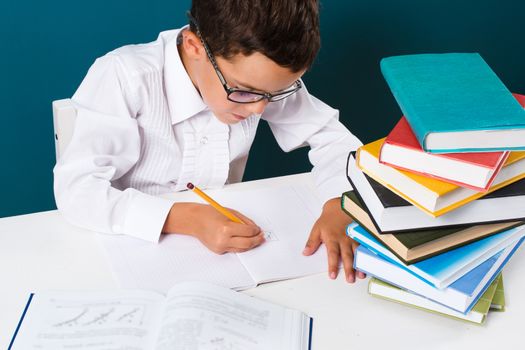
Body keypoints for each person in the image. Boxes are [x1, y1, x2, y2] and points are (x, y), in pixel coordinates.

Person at [54, 0, 366, 283]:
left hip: (230, 264)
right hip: (125, 255)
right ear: (194, 46)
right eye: (243, 92)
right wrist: (183, 217)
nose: (259, 108)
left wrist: (341, 201)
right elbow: (77, 190)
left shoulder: (257, 79)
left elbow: (334, 139)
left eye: (273, 94)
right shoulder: (125, 77)